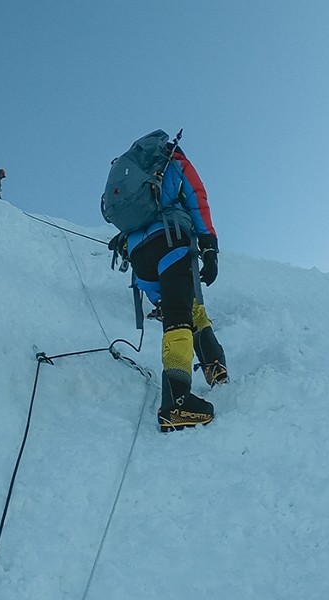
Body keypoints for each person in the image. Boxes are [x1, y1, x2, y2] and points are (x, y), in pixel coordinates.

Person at [106, 135, 227, 432]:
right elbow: (197, 199)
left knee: (182, 308)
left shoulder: (131, 171)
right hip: (171, 241)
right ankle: (177, 401)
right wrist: (209, 247)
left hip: (139, 256)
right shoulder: (173, 161)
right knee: (178, 317)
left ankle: (213, 363)